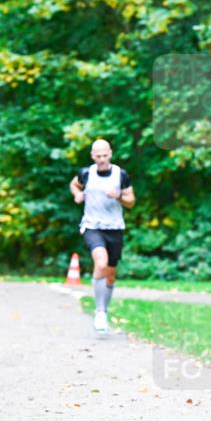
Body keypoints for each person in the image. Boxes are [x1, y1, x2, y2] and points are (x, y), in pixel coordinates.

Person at [69, 139, 136, 333]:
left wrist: (119, 196)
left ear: (110, 154)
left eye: (105, 155)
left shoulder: (120, 175)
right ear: (92, 156)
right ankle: (99, 312)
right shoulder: (86, 173)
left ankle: (104, 311)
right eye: (98, 156)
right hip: (92, 226)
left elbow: (131, 201)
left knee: (110, 275)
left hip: (115, 228)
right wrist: (77, 195)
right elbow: (74, 185)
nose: (101, 160)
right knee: (101, 263)